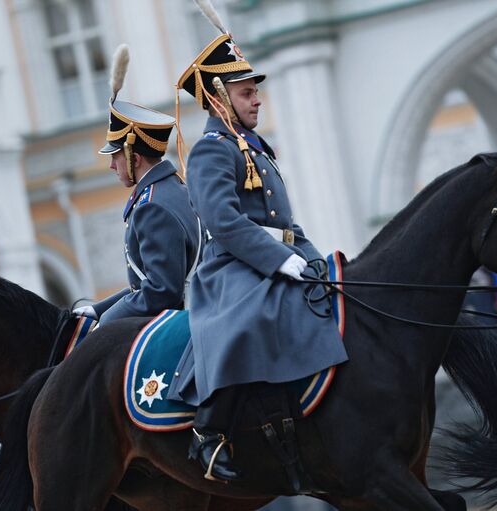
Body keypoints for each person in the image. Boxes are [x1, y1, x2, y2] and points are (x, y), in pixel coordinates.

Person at [167, 12, 348, 482]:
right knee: (247, 321)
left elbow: (284, 223)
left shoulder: (254, 148)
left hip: (270, 259)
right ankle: (210, 433)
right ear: (218, 98)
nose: (257, 100)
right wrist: (280, 261)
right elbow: (223, 221)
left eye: (255, 90)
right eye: (247, 92)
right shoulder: (213, 148)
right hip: (230, 270)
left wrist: (311, 258)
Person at [73, 45, 201, 323]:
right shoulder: (171, 191)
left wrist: (106, 324)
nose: (111, 165)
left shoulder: (152, 206)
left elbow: (161, 292)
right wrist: (98, 309)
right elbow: (146, 283)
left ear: (135, 156)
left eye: (116, 156)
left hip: (176, 325)